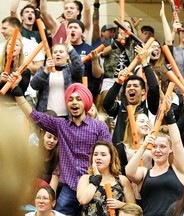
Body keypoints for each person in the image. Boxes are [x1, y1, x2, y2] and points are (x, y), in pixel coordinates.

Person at [10, 81, 112, 215]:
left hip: (93, 185)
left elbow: (109, 155)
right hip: (68, 188)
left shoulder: (99, 127)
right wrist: (18, 93)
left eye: (78, 99)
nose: (74, 102)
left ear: (86, 102)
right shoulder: (60, 125)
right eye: (70, 99)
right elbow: (35, 116)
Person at [125, 104, 184, 216]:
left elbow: (177, 143)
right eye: (154, 147)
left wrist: (169, 117)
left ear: (170, 149)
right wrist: (144, 146)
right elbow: (129, 172)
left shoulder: (178, 170)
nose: (157, 150)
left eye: (163, 147)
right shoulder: (145, 173)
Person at [103, 49, 159, 145]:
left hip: (143, 153)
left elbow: (154, 88)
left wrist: (145, 63)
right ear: (125, 92)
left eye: (135, 86)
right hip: (121, 156)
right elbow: (106, 103)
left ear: (143, 92)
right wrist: (119, 82)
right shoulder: (120, 107)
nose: (131, 88)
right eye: (128, 86)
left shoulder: (149, 107)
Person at [77, 141, 136, 215]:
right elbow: (83, 200)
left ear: (111, 159)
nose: (98, 157)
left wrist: (121, 205)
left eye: (103, 155)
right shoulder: (85, 178)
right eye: (95, 154)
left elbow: (134, 209)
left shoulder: (122, 180)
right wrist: (97, 178)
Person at [30, 41, 84, 117]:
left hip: (67, 115)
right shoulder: (44, 70)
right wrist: (45, 70)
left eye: (61, 52)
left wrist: (70, 49)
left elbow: (79, 67)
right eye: (55, 52)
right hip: (46, 114)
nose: (58, 54)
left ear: (68, 56)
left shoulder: (71, 70)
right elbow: (34, 85)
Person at [67, 19, 103, 101]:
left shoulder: (89, 50)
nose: (72, 29)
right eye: (70, 27)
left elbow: (97, 75)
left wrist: (94, 61)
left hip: (84, 91)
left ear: (82, 32)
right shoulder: (61, 49)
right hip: (66, 90)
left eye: (76, 27)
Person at [0, 35, 30, 102]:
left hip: (16, 105)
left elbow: (22, 92)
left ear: (20, 51)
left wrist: (15, 85)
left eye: (16, 45)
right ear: (6, 49)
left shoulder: (25, 71)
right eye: (10, 44)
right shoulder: (0, 68)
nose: (13, 46)